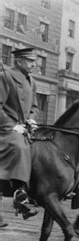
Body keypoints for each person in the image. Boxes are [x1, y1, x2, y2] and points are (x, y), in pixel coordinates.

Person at [0, 47, 39, 220]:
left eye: (34, 61)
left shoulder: (32, 81)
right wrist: (12, 126)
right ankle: (19, 194)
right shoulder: (5, 77)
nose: (34, 64)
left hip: (24, 128)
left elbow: (35, 107)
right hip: (6, 129)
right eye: (30, 61)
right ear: (19, 61)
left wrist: (31, 119)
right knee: (19, 146)